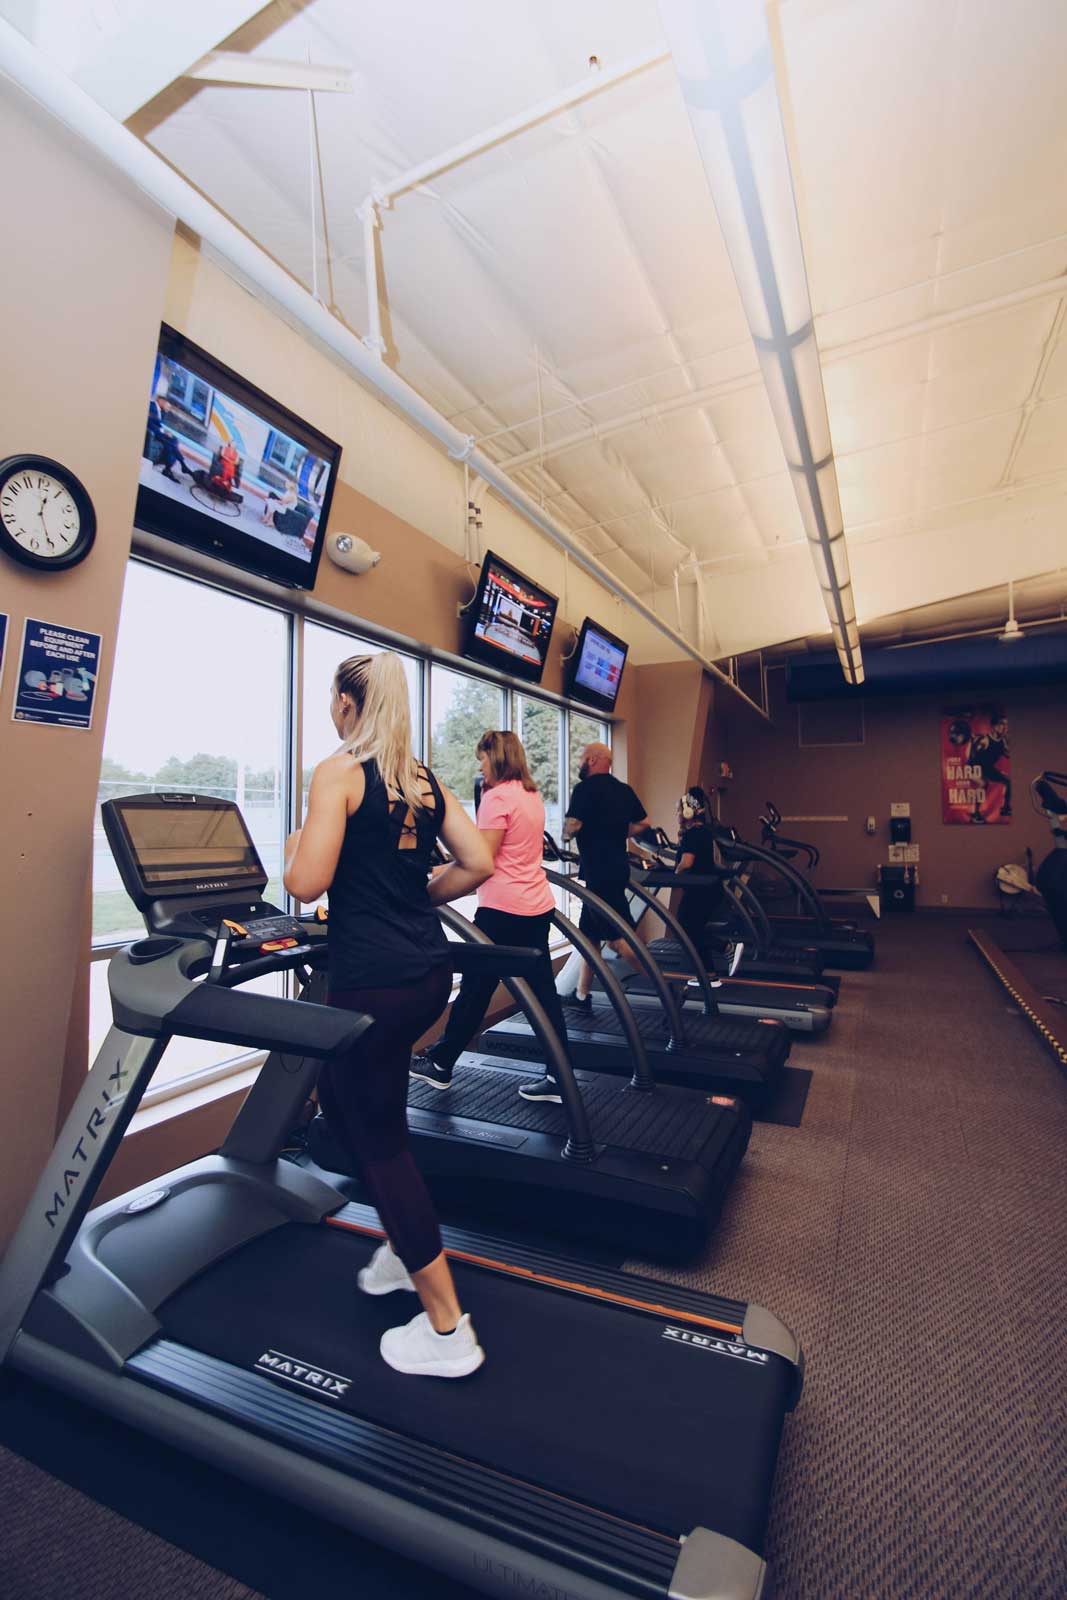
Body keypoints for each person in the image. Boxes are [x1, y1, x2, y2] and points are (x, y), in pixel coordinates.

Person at [283, 651, 493, 1379]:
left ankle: (446, 1328)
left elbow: (306, 881)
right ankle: (404, 1250)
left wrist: (292, 853)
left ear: (348, 703)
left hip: (371, 982)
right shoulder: (421, 778)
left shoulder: (339, 770)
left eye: (331, 700)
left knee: (378, 1140)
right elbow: (476, 864)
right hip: (425, 975)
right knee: (340, 1107)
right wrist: (409, 904)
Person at [410, 730, 571, 1104]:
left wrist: (430, 876)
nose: (479, 766)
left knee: (476, 988)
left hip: (503, 908)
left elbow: (482, 860)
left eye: (482, 758)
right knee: (541, 993)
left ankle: (442, 1063)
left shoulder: (497, 797)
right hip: (535, 905)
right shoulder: (530, 795)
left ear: (496, 758)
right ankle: (558, 1073)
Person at [563, 742, 651, 1007]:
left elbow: (573, 826)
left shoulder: (584, 789)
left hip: (597, 875)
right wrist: (618, 833)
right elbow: (644, 823)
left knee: (617, 941)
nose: (580, 762)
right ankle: (582, 995)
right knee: (589, 938)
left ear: (592, 760)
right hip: (616, 870)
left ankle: (663, 987)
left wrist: (565, 836)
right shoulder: (623, 790)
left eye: (581, 757)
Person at [673, 786, 744, 983]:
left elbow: (687, 863)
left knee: (685, 930)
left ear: (688, 812)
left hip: (700, 892)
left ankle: (726, 948)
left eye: (679, 809)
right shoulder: (702, 832)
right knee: (694, 930)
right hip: (709, 890)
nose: (677, 813)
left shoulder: (691, 835)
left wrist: (675, 873)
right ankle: (708, 975)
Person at [145, 395, 192, 482]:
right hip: (152, 432)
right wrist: (163, 432)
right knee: (173, 441)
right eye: (168, 406)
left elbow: (158, 423)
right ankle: (182, 465)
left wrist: (164, 430)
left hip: (157, 432)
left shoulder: (160, 411)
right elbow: (149, 422)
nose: (169, 408)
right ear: (161, 401)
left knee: (171, 444)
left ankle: (169, 469)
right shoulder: (152, 406)